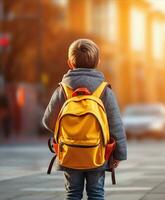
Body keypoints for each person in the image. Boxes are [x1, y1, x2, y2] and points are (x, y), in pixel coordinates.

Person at [42, 39, 127, 200]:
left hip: (70, 153)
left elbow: (47, 121)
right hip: (97, 153)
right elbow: (116, 125)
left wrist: (69, 132)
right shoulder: (104, 90)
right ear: (98, 62)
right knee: (96, 193)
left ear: (69, 63)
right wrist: (118, 155)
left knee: (73, 193)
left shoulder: (63, 90)